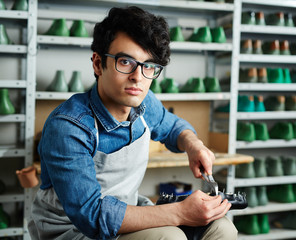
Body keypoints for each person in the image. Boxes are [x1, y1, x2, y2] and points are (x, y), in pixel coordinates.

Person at [28, 6, 237, 240]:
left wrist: (193, 145)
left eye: (148, 66)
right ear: (98, 64)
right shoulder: (68, 126)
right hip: (73, 229)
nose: (138, 76)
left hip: (125, 211)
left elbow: (174, 127)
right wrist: (179, 213)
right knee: (169, 237)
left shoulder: (143, 103)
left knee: (222, 227)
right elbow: (92, 215)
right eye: (125, 61)